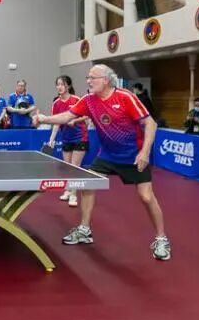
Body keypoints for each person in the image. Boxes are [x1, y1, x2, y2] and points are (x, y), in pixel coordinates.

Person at [34, 65, 171, 261]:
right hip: (107, 155)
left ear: (106, 80)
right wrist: (44, 119)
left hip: (133, 155)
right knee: (88, 184)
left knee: (146, 197)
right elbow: (68, 116)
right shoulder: (88, 100)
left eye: (92, 78)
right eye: (87, 78)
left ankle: (161, 238)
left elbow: (150, 123)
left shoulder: (125, 97)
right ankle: (84, 229)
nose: (88, 81)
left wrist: (145, 152)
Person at [47, 76, 89, 207]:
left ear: (68, 86)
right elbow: (56, 122)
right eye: (58, 84)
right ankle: (68, 190)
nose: (59, 87)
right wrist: (51, 139)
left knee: (74, 167)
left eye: (62, 84)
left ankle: (73, 195)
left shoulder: (76, 100)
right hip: (66, 138)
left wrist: (75, 120)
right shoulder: (56, 103)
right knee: (67, 167)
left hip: (80, 137)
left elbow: (87, 115)